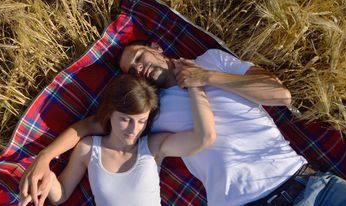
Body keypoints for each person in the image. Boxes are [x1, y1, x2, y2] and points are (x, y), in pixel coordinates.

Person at [21, 42, 346, 206]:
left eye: (138, 57)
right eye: (130, 71)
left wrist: (205, 77)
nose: (138, 69)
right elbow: (89, 127)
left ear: (156, 49)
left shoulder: (213, 59)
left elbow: (280, 95)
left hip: (311, 185)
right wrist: (43, 159)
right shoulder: (150, 113)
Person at [19, 73, 215, 206]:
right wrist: (48, 179)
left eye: (141, 121)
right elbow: (61, 195)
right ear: (110, 113)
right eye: (125, 120)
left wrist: (196, 85)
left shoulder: (154, 147)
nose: (133, 130)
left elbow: (204, 138)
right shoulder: (88, 148)